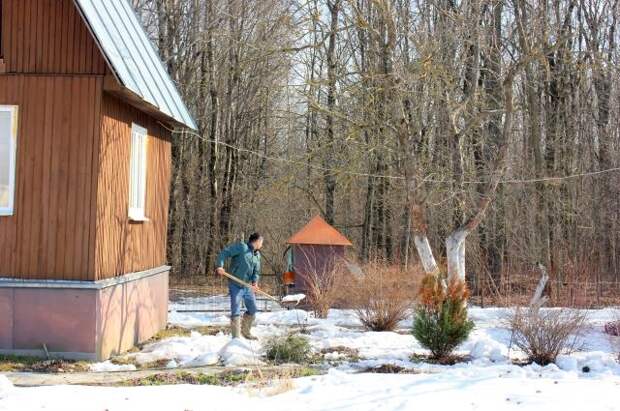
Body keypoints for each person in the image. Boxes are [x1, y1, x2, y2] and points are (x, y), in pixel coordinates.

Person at [215, 233, 263, 340]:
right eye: (261, 242)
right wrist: (220, 266)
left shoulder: (257, 255)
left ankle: (246, 332)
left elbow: (256, 271)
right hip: (235, 284)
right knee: (235, 309)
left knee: (253, 308)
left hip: (247, 286)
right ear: (256, 241)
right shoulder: (242, 247)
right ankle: (236, 338)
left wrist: (255, 282)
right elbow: (224, 253)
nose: (261, 245)